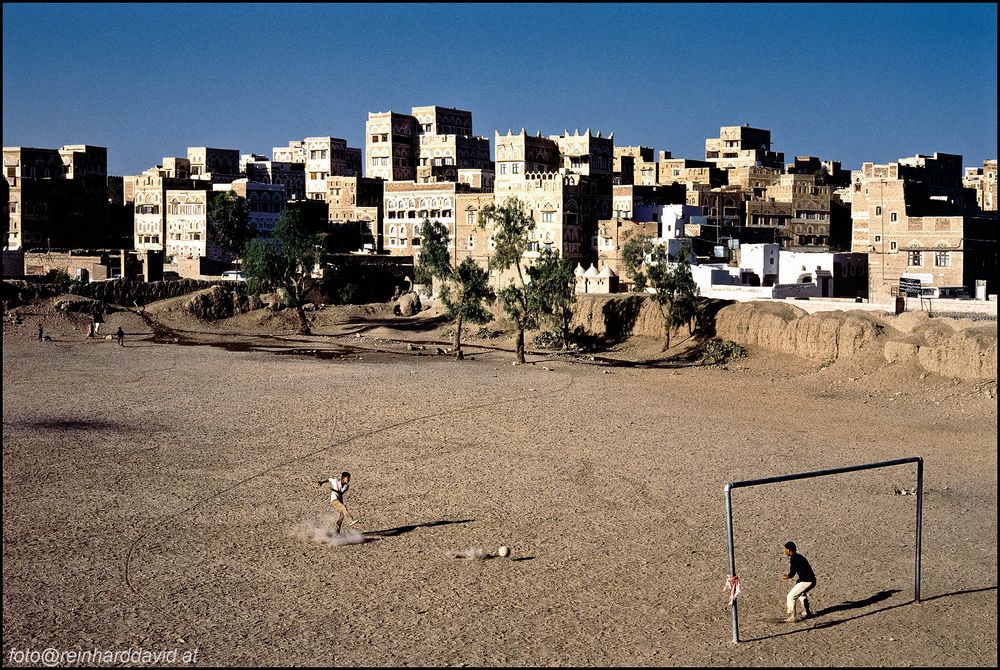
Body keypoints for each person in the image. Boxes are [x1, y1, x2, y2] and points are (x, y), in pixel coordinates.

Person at [782, 541, 816, 622]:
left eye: (786, 549)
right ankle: (807, 612)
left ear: (789, 550)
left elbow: (792, 572)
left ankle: (792, 616)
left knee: (791, 596)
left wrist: (788, 576)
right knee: (801, 594)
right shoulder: (800, 557)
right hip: (811, 580)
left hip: (806, 581)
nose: (785, 551)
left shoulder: (794, 559)